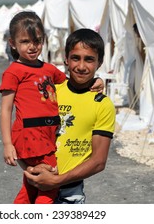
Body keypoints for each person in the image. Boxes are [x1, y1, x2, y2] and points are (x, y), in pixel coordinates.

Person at [0, 12, 104, 204]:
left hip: (46, 135)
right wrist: (7, 144)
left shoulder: (48, 69)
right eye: (25, 41)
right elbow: (6, 109)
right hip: (31, 135)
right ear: (12, 43)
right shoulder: (13, 72)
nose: (32, 47)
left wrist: (96, 81)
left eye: (37, 41)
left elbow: (72, 82)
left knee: (31, 184)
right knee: (49, 184)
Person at [24, 28, 116, 204]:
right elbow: (26, 133)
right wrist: (30, 168)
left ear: (100, 62)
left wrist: (56, 180)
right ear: (66, 59)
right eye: (76, 58)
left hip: (70, 194)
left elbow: (98, 161)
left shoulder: (102, 104)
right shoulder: (51, 91)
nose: (81, 66)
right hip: (36, 184)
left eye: (89, 59)